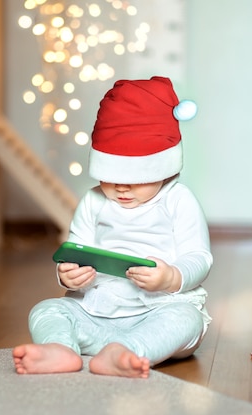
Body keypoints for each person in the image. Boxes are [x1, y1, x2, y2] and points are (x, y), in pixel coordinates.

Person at [12, 76, 212, 379]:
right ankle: (61, 349)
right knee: (46, 310)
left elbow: (199, 256)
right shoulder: (93, 201)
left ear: (163, 165)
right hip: (96, 313)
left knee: (187, 321)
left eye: (136, 176)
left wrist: (170, 276)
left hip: (157, 312)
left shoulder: (178, 200)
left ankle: (127, 351)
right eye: (110, 174)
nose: (121, 186)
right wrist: (69, 276)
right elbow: (76, 252)